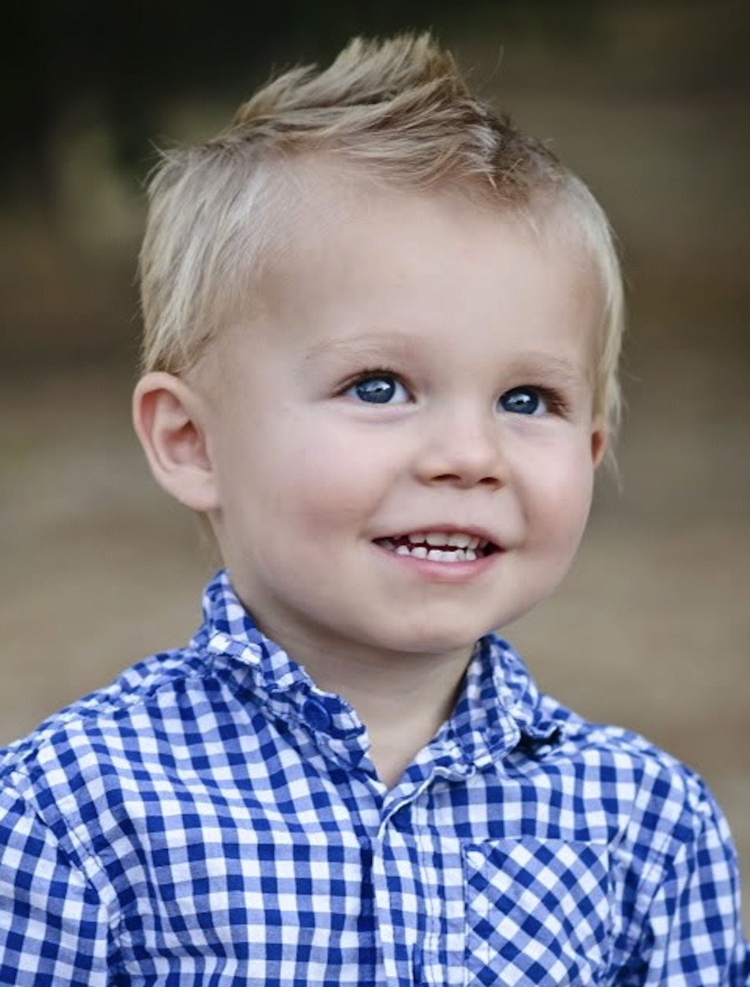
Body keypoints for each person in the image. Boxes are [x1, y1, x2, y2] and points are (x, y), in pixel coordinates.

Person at [0, 33, 747, 986]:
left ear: (591, 453)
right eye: (379, 386)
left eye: (527, 400)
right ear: (192, 441)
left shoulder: (646, 827)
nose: (469, 456)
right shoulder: (71, 816)